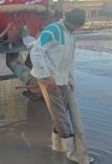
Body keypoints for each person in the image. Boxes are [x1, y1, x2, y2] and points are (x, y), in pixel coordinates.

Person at [29, 9, 94, 163]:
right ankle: (73, 153)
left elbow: (70, 59)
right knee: (60, 115)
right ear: (70, 22)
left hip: (63, 79)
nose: (78, 29)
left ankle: (57, 146)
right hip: (49, 79)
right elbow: (36, 52)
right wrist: (46, 76)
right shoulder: (54, 30)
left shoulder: (72, 35)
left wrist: (71, 80)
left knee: (59, 113)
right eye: (77, 26)